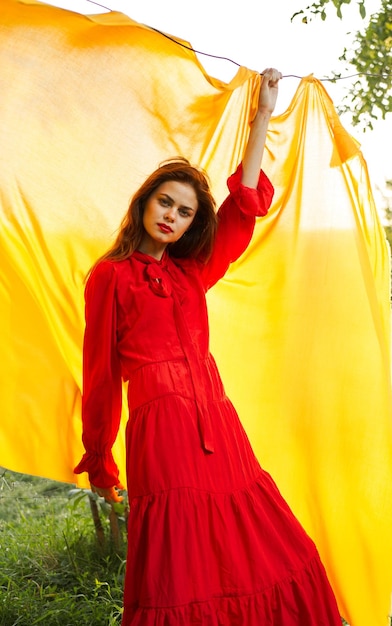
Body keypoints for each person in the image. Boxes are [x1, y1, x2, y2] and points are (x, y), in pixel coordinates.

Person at [74, 68, 342, 625]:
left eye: (185, 211)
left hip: (217, 421)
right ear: (144, 202)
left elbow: (243, 206)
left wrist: (262, 115)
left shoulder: (193, 273)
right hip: (161, 426)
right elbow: (100, 372)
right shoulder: (111, 276)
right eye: (165, 203)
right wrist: (100, 456)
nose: (172, 216)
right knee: (182, 557)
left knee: (261, 539)